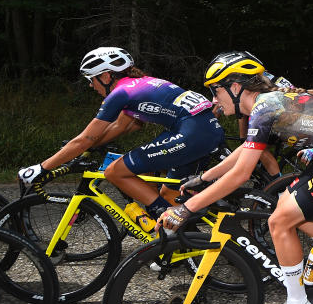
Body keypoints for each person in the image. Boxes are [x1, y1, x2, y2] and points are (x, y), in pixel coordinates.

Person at [156, 51, 313, 304]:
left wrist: (187, 208)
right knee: (285, 206)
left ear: (235, 87)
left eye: (215, 90)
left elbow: (242, 173)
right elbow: (244, 151)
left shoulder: (265, 107)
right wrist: (204, 177)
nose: (213, 99)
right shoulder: (265, 105)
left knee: (279, 222)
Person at [17, 47, 224, 221]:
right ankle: (181, 245)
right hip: (205, 131)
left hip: (192, 134)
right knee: (170, 194)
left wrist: (41, 168)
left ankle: (163, 221)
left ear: (106, 76)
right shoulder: (140, 83)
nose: (91, 85)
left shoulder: (120, 93)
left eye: (92, 79)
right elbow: (124, 126)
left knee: (115, 172)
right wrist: (93, 145)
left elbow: (85, 139)